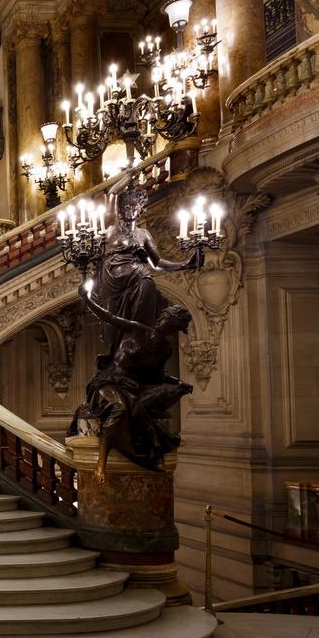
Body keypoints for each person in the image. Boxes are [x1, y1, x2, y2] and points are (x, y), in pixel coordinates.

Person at [72, 284, 192, 482]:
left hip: (132, 386)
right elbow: (109, 318)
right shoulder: (137, 329)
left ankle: (149, 450)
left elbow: (158, 376)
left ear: (175, 328)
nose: (164, 321)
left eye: (171, 321)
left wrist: (179, 384)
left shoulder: (165, 349)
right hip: (107, 382)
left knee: (151, 401)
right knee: (119, 408)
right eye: (166, 317)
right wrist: (87, 300)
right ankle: (101, 463)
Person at [92, 168, 198, 358]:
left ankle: (139, 339)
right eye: (126, 206)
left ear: (140, 209)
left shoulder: (144, 235)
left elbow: (157, 263)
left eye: (134, 206)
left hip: (138, 276)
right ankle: (111, 353)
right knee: (111, 317)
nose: (130, 209)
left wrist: (184, 264)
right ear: (120, 209)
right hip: (113, 280)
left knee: (147, 285)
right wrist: (128, 177)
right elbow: (113, 193)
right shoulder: (111, 227)